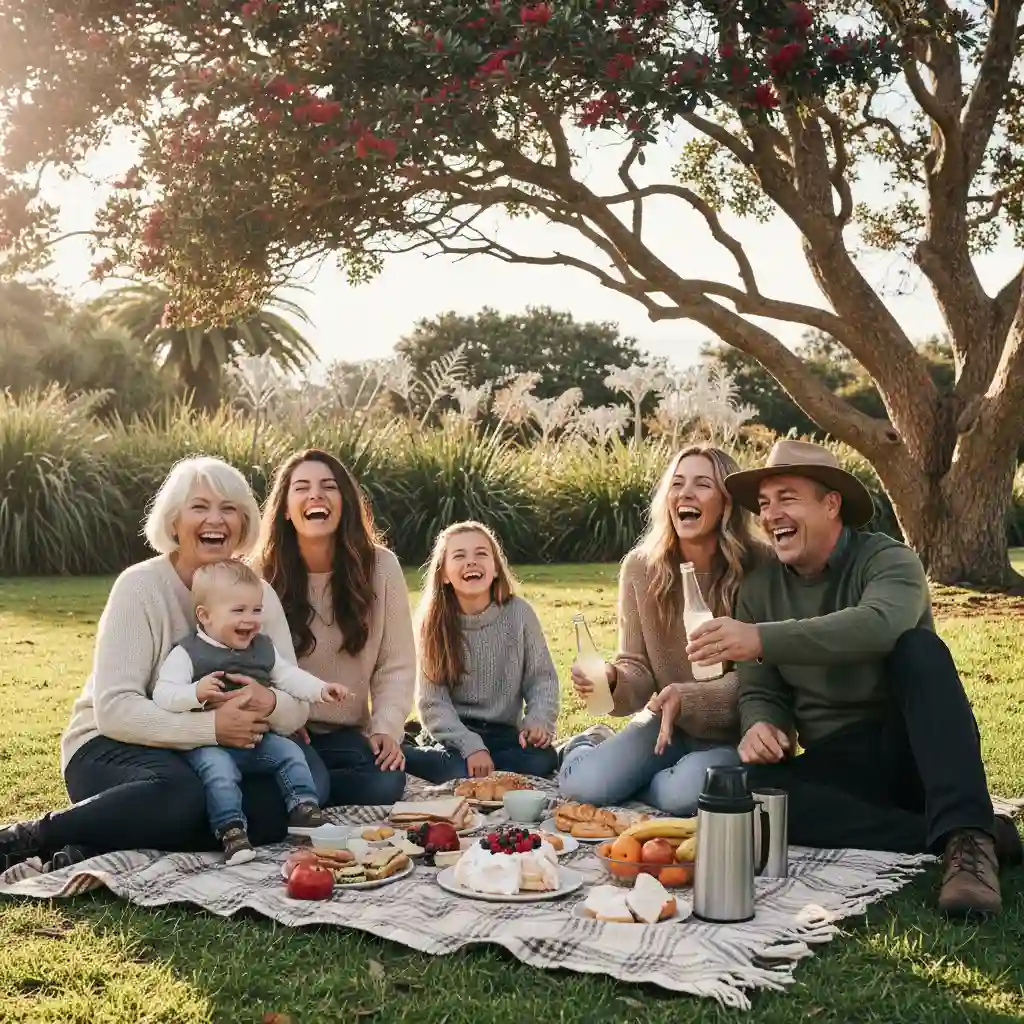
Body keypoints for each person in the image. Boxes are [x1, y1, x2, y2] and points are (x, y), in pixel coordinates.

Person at [684, 439, 1023, 917]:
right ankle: (956, 834)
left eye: (787, 498)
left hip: (917, 750)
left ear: (831, 504)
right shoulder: (759, 589)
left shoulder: (890, 561)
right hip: (840, 759)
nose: (771, 514)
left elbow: (877, 624)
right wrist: (763, 722)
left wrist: (761, 638)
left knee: (919, 649)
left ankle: (969, 849)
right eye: (763, 504)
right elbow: (762, 685)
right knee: (759, 798)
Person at [0, 456, 329, 874]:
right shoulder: (139, 587)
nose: (216, 520)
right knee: (185, 795)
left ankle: (99, 841)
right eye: (200, 507)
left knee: (311, 780)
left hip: (224, 751)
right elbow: (116, 709)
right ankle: (32, 836)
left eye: (229, 509)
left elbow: (295, 704)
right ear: (174, 522)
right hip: (114, 747)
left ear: (244, 524)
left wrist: (268, 703)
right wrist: (210, 727)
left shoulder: (257, 593)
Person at [557, 445, 764, 814]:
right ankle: (587, 745)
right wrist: (612, 678)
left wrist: (685, 698)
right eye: (677, 483)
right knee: (583, 787)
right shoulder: (641, 567)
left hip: (734, 734)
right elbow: (637, 667)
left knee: (681, 797)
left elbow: (760, 677)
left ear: (727, 502)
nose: (686, 493)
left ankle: (643, 779)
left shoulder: (760, 566)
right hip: (664, 728)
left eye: (702, 484)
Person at [152, 559, 351, 864]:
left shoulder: (262, 648)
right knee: (220, 774)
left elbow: (288, 677)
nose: (250, 620)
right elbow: (163, 694)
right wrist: (194, 693)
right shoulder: (188, 653)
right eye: (238, 611)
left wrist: (321, 690)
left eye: (256, 610)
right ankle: (231, 831)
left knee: (290, 753)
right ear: (204, 616)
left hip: (257, 740)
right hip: (209, 744)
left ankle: (304, 811)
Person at [254, 449, 415, 807]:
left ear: (345, 503)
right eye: (302, 487)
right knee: (313, 787)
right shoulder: (257, 575)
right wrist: (280, 715)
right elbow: (246, 660)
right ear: (284, 507)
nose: (316, 495)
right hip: (284, 728)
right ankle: (311, 781)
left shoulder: (381, 568)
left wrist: (386, 729)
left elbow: (397, 665)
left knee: (387, 783)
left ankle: (312, 780)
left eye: (329, 486)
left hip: (346, 731)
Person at [402, 521, 560, 783]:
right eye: (459, 556)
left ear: (496, 568)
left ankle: (479, 763)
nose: (471, 562)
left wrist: (538, 721)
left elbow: (542, 679)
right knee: (457, 770)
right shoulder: (433, 623)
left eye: (481, 554)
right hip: (453, 734)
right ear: (443, 574)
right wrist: (469, 745)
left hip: (503, 734)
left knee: (542, 760)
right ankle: (408, 750)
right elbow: (433, 702)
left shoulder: (520, 614)